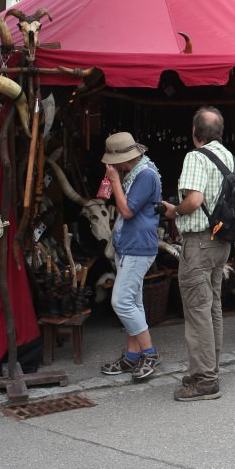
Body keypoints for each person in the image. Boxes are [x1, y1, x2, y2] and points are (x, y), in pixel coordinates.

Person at [161, 107, 235, 402]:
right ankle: (210, 368)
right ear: (220, 132)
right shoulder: (230, 157)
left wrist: (175, 210)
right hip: (221, 241)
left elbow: (194, 199)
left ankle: (205, 380)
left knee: (197, 310)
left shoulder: (195, 157)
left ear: (195, 133)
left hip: (199, 241)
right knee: (212, 306)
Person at [99, 132, 162, 381]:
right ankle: (132, 356)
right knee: (133, 304)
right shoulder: (138, 173)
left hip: (138, 246)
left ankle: (150, 353)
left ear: (123, 159)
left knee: (121, 302)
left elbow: (126, 211)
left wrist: (114, 180)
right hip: (130, 246)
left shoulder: (145, 176)